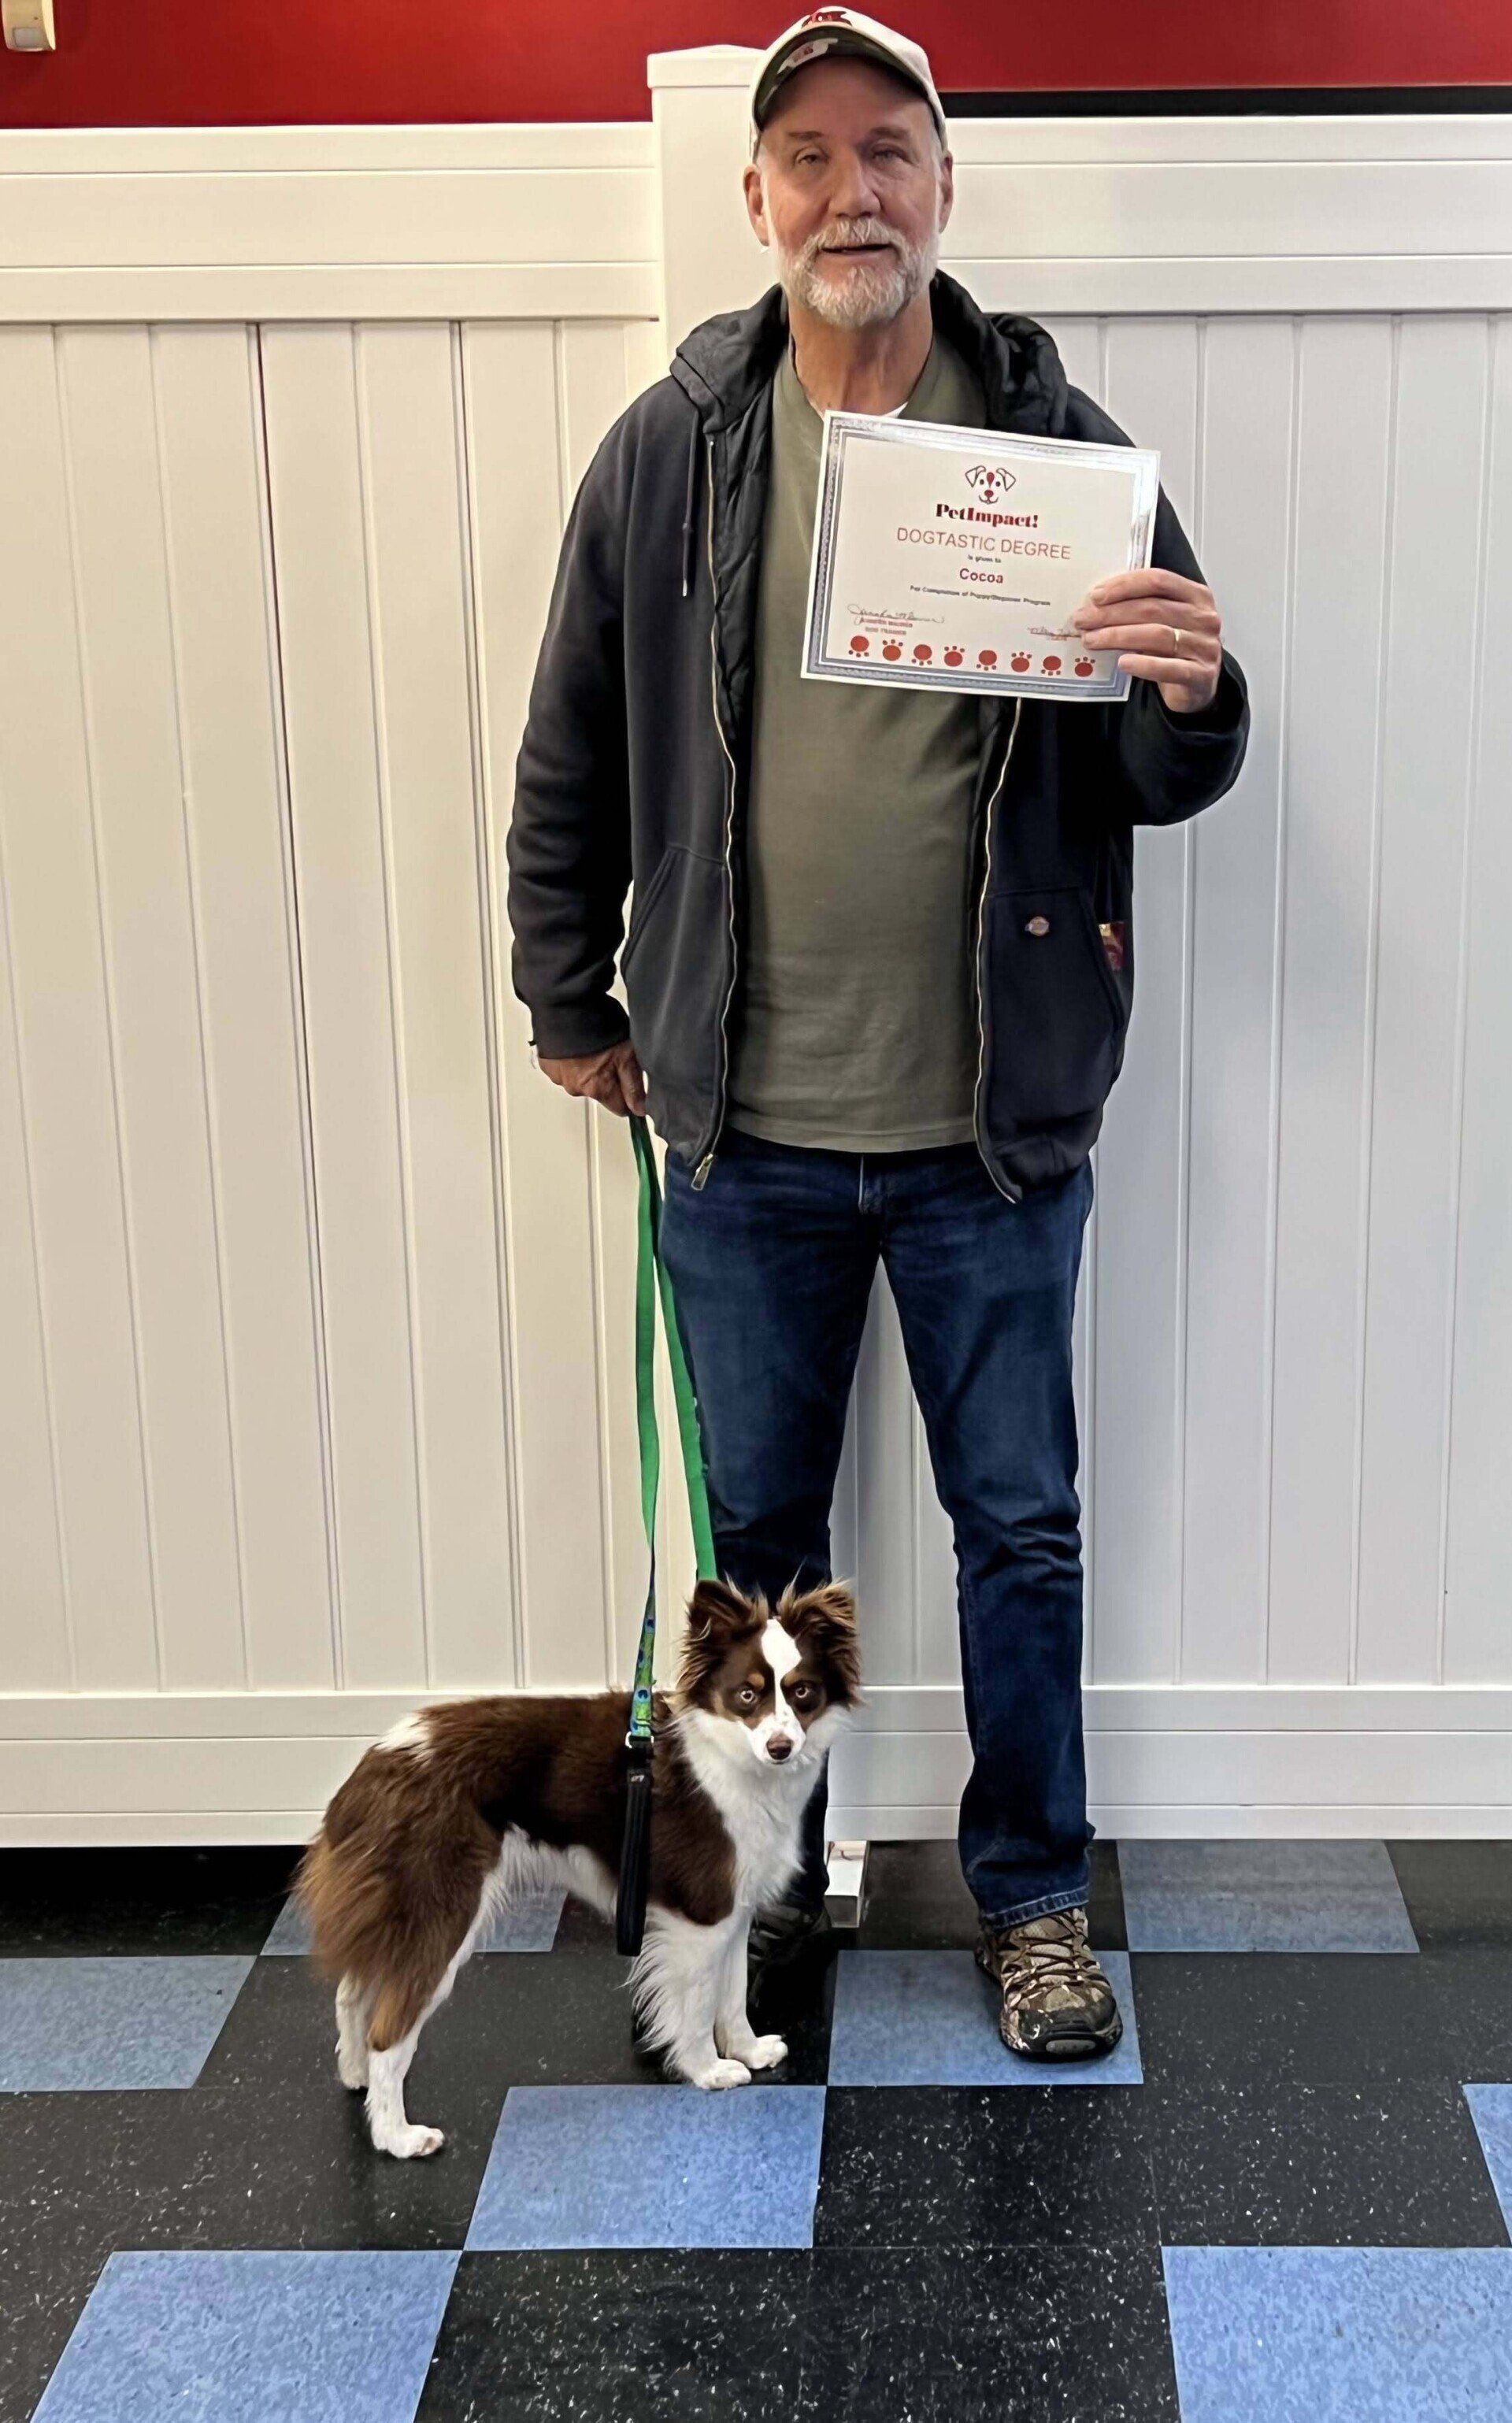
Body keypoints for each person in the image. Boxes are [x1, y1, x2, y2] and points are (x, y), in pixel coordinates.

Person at [507, 9, 1250, 2060]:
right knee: (762, 1550)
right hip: (739, 1122)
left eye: (891, 151)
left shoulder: (1058, 442)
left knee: (1019, 1528)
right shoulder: (675, 447)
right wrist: (569, 993)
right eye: (810, 156)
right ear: (756, 202)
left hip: (993, 1120)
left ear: (943, 188)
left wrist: (1189, 691)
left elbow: (1173, 773)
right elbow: (570, 740)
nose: (854, 189)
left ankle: (1029, 1903)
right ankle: (767, 1886)